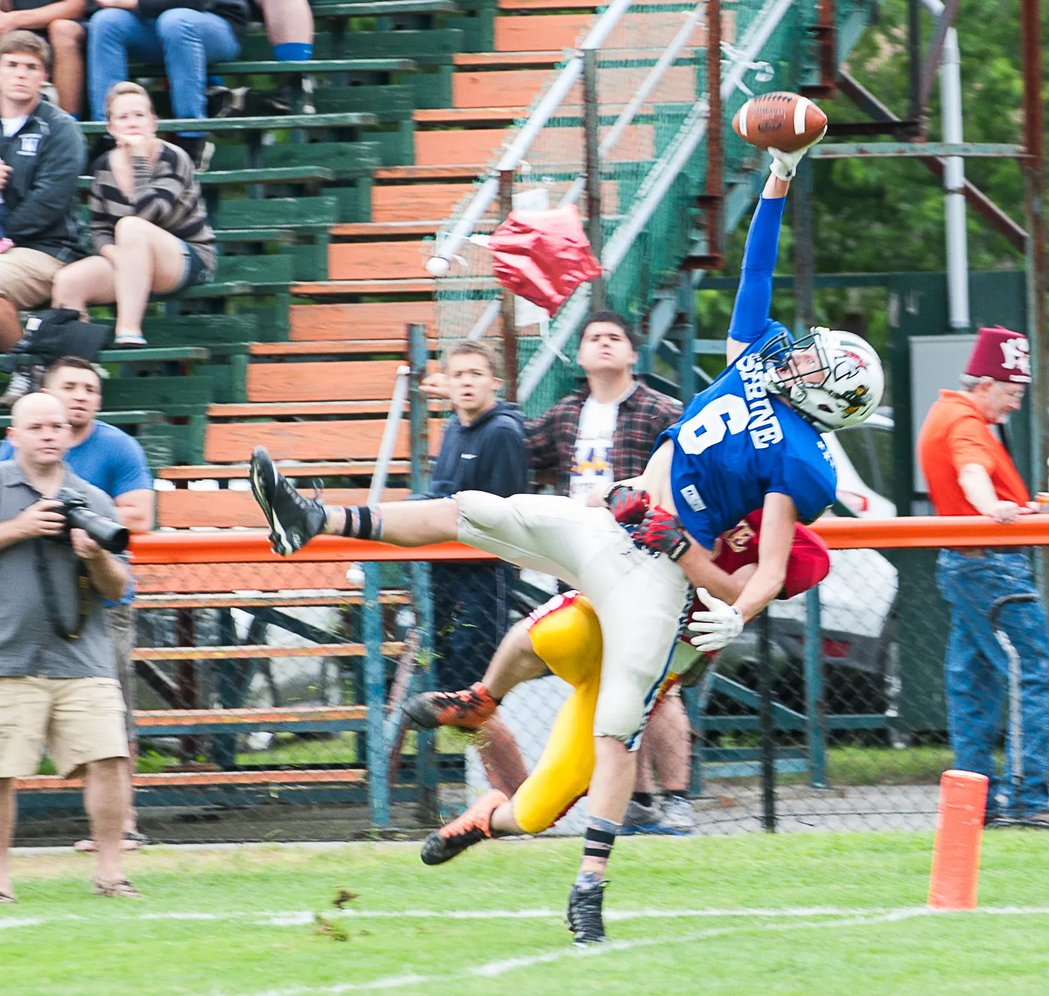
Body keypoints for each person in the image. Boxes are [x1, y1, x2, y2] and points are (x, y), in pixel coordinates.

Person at [248, 136, 884, 944]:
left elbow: (766, 566)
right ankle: (315, 519)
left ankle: (588, 887)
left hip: (657, 572)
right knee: (470, 509)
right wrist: (778, 177)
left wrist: (736, 609)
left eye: (816, 366)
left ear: (829, 403)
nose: (799, 357)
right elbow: (756, 270)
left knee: (617, 724)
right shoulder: (759, 363)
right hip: (610, 528)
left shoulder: (804, 464)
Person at [418, 511, 832, 865]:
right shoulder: (705, 472)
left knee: (537, 811)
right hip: (609, 616)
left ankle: (486, 819)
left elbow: (738, 591)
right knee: (559, 630)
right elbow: (616, 504)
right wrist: (622, 503)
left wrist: (681, 550)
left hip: (656, 659)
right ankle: (483, 698)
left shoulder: (804, 551)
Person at [420, 311, 693, 831]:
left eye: (615, 337)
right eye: (594, 338)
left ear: (634, 354)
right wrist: (463, 393)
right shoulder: (568, 414)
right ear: (582, 355)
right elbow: (517, 441)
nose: (604, 344)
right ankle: (635, 801)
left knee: (662, 686)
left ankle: (677, 799)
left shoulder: (662, 411)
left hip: (647, 563)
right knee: (610, 685)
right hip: (585, 564)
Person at [0, 354, 154, 849]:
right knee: (2, 771)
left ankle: (112, 872)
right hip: (8, 653)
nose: (49, 434)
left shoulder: (94, 500)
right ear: (14, 436)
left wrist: (96, 558)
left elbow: (117, 588)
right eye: (37, 426)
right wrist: (19, 529)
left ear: (71, 435)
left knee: (108, 758)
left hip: (81, 653)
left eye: (58, 426)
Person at [917, 325, 1049, 825]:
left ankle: (976, 803)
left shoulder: (946, 413)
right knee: (1036, 668)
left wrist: (1015, 506)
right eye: (1012, 393)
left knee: (972, 679)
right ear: (986, 384)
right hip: (991, 564)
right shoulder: (968, 423)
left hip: (968, 563)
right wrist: (994, 508)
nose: (1014, 404)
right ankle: (1031, 797)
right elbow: (971, 472)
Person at [51, 81, 216, 348]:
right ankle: (78, 367)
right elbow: (100, 229)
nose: (132, 123)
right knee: (68, 280)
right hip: (130, 261)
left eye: (139, 115)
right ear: (111, 128)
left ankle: (128, 330)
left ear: (153, 123)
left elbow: (149, 213)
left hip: (186, 258)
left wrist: (139, 160)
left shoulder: (174, 158)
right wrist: (117, 255)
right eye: (123, 117)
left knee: (130, 226)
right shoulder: (104, 166)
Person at [423, 340, 528, 689]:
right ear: (447, 384)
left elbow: (501, 513)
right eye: (458, 375)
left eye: (476, 374)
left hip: (483, 578)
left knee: (476, 690)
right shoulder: (454, 426)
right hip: (446, 572)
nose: (467, 382)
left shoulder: (502, 433)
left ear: (494, 382)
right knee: (445, 678)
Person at [0, 31, 85, 369]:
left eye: (31, 67)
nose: (21, 73)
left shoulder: (60, 128)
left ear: (44, 76)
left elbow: (48, 204)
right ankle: (31, 365)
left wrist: (5, 236)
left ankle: (30, 370)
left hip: (47, 249)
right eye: (12, 65)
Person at [86, 0, 250, 169]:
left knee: (175, 21)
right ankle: (109, 138)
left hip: (216, 23)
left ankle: (192, 138)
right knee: (105, 21)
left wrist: (136, 3)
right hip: (153, 25)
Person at [0, 1, 88, 116]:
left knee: (63, 29)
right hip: (12, 25)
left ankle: (68, 119)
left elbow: (77, 6)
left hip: (65, 20)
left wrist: (15, 19)